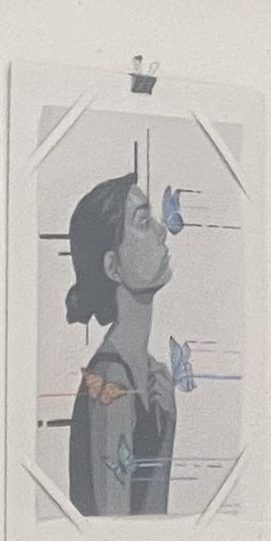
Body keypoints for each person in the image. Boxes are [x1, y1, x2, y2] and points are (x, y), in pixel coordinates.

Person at [62, 165, 175, 514]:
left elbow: (151, 518)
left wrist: (167, 428)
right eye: (143, 222)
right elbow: (116, 531)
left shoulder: (148, 374)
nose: (161, 231)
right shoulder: (111, 383)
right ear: (113, 267)